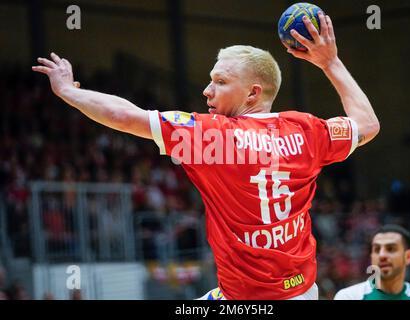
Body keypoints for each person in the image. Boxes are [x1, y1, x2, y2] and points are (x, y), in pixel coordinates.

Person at [33, 12, 379, 300]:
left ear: (252, 93)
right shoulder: (307, 131)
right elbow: (367, 124)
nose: (206, 90)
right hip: (301, 291)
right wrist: (330, 62)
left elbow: (127, 116)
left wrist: (67, 92)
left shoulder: (212, 136)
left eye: (219, 81)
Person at [334, 224, 410, 300]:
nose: (382, 255)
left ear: (408, 256)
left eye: (391, 249)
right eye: (377, 250)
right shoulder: (349, 297)